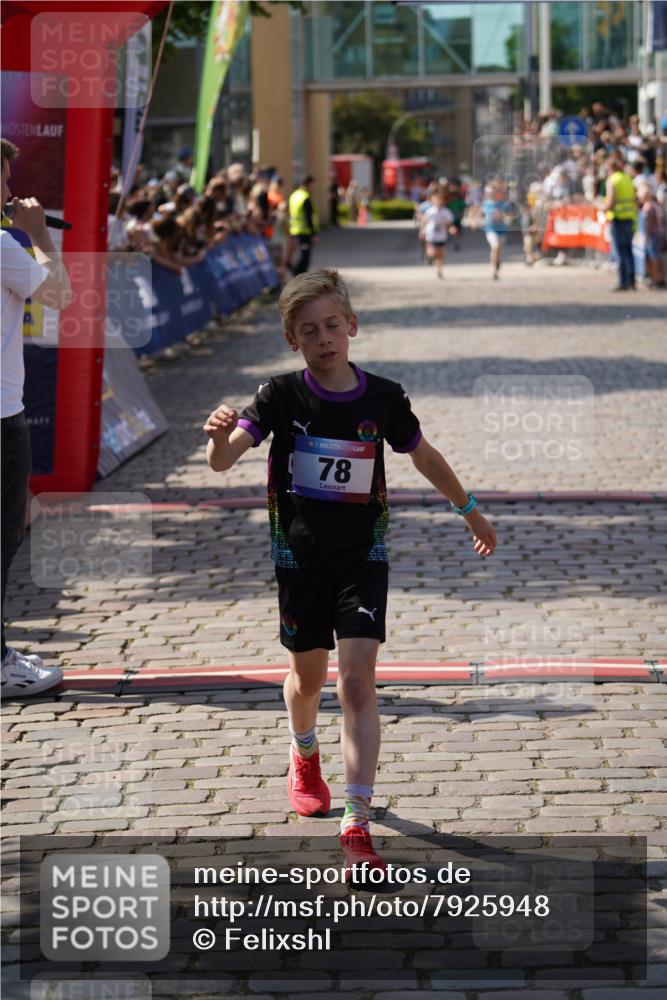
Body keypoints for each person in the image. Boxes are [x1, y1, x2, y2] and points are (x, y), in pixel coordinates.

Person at [203, 268, 496, 881]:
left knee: (357, 682)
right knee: (306, 679)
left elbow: (422, 454)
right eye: (309, 331)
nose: (325, 338)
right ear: (293, 340)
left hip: (364, 555)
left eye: (333, 325)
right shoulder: (280, 395)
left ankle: (356, 819)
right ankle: (303, 751)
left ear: (352, 326)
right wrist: (217, 438)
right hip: (299, 558)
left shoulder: (384, 396)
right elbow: (226, 460)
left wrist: (469, 509)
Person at [1, 138, 72, 697]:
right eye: (2, 181)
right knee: (4, 536)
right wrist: (41, 234)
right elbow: (60, 297)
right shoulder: (4, 244)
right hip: (1, 414)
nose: (8, 193)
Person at [605, 157, 638, 291]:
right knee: (629, 251)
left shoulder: (612, 180)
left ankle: (623, 281)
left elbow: (611, 201)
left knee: (620, 252)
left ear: (610, 168)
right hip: (630, 219)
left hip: (618, 219)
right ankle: (631, 282)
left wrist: (603, 207)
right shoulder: (627, 179)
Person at [419, 187, 455, 279]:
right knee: (433, 252)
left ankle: (439, 270)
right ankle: (428, 256)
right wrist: (422, 231)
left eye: (441, 200)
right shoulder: (430, 211)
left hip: (441, 236)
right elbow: (424, 221)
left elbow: (449, 223)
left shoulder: (446, 212)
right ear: (432, 201)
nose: (439, 202)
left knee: (440, 254)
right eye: (437, 200)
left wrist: (451, 228)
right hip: (431, 235)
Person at [288, 175, 319, 276]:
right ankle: (298, 275)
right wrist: (314, 234)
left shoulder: (294, 195)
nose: (314, 187)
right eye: (314, 185)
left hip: (294, 230)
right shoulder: (305, 197)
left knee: (300, 255)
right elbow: (308, 216)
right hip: (304, 231)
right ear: (308, 184)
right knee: (305, 257)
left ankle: (296, 273)